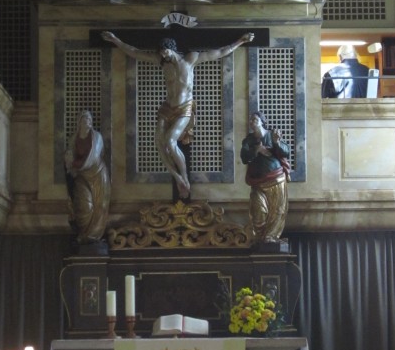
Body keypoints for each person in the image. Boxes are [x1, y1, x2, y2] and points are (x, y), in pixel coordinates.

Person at [102, 29, 255, 200]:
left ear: (171, 48)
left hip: (184, 108)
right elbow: (135, 53)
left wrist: (240, 41)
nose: (163, 54)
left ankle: (184, 176)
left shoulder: (190, 59)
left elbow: (218, 53)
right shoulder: (162, 62)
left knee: (169, 141)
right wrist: (116, 41)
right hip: (167, 107)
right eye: (161, 52)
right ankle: (177, 177)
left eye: (165, 51)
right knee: (159, 143)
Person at [240, 110, 290, 243]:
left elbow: (286, 151)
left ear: (262, 122)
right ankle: (260, 236)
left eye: (255, 120)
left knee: (277, 210)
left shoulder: (271, 135)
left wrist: (277, 142)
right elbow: (244, 157)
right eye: (251, 120)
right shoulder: (249, 140)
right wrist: (256, 150)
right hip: (258, 182)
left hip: (276, 179)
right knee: (258, 210)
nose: (252, 122)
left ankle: (270, 237)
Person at [64, 109, 111, 243]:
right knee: (86, 206)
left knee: (100, 205)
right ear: (79, 122)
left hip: (98, 173)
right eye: (85, 119)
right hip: (82, 176)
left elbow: (93, 157)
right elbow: (69, 157)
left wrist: (73, 163)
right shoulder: (73, 139)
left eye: (90, 120)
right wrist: (68, 160)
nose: (88, 122)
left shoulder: (97, 138)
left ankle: (93, 236)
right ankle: (84, 233)